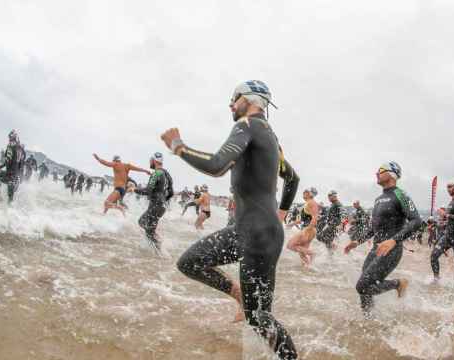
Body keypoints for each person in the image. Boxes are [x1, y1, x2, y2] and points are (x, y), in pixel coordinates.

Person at [162, 80, 299, 359]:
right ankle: (235, 291)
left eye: (234, 99)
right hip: (246, 230)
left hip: (258, 233)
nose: (230, 105)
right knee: (189, 262)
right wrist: (282, 212)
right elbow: (292, 178)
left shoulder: (248, 125)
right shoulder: (269, 137)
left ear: (250, 99)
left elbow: (217, 165)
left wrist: (178, 147)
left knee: (258, 318)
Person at [344, 161, 421, 315]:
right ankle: (368, 320)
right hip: (376, 249)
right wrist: (357, 241)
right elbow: (374, 227)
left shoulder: (401, 194)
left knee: (362, 286)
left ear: (392, 174)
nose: (376, 174)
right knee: (365, 288)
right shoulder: (378, 199)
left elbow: (416, 221)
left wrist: (393, 240)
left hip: (391, 249)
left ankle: (398, 284)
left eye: (380, 170)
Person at [131, 152, 173, 254]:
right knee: (149, 229)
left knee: (142, 222)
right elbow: (171, 192)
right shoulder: (167, 174)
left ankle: (160, 247)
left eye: (150, 160)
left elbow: (147, 190)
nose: (149, 162)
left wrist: (134, 189)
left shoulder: (157, 173)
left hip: (156, 205)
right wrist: (163, 200)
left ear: (154, 161)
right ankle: (158, 250)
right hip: (161, 206)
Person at [430, 180, 454, 284]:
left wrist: (446, 215)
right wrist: (440, 217)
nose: (448, 189)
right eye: (447, 187)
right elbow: (447, 218)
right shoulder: (451, 202)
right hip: (447, 236)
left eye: (450, 187)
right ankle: (436, 280)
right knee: (433, 256)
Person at [0, 130, 26, 203]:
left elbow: (8, 160)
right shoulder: (21, 150)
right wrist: (20, 178)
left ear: (12, 138)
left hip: (9, 177)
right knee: (10, 203)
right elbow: (21, 165)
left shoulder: (10, 146)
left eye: (10, 138)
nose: (9, 140)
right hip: (16, 179)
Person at [286, 188, 320, 266]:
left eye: (305, 192)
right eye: (304, 192)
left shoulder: (312, 203)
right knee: (302, 252)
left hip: (309, 229)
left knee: (290, 245)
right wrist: (290, 224)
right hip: (309, 229)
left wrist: (307, 229)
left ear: (309, 194)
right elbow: (302, 219)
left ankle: (312, 254)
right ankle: (307, 268)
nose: (303, 194)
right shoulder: (308, 203)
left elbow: (315, 217)